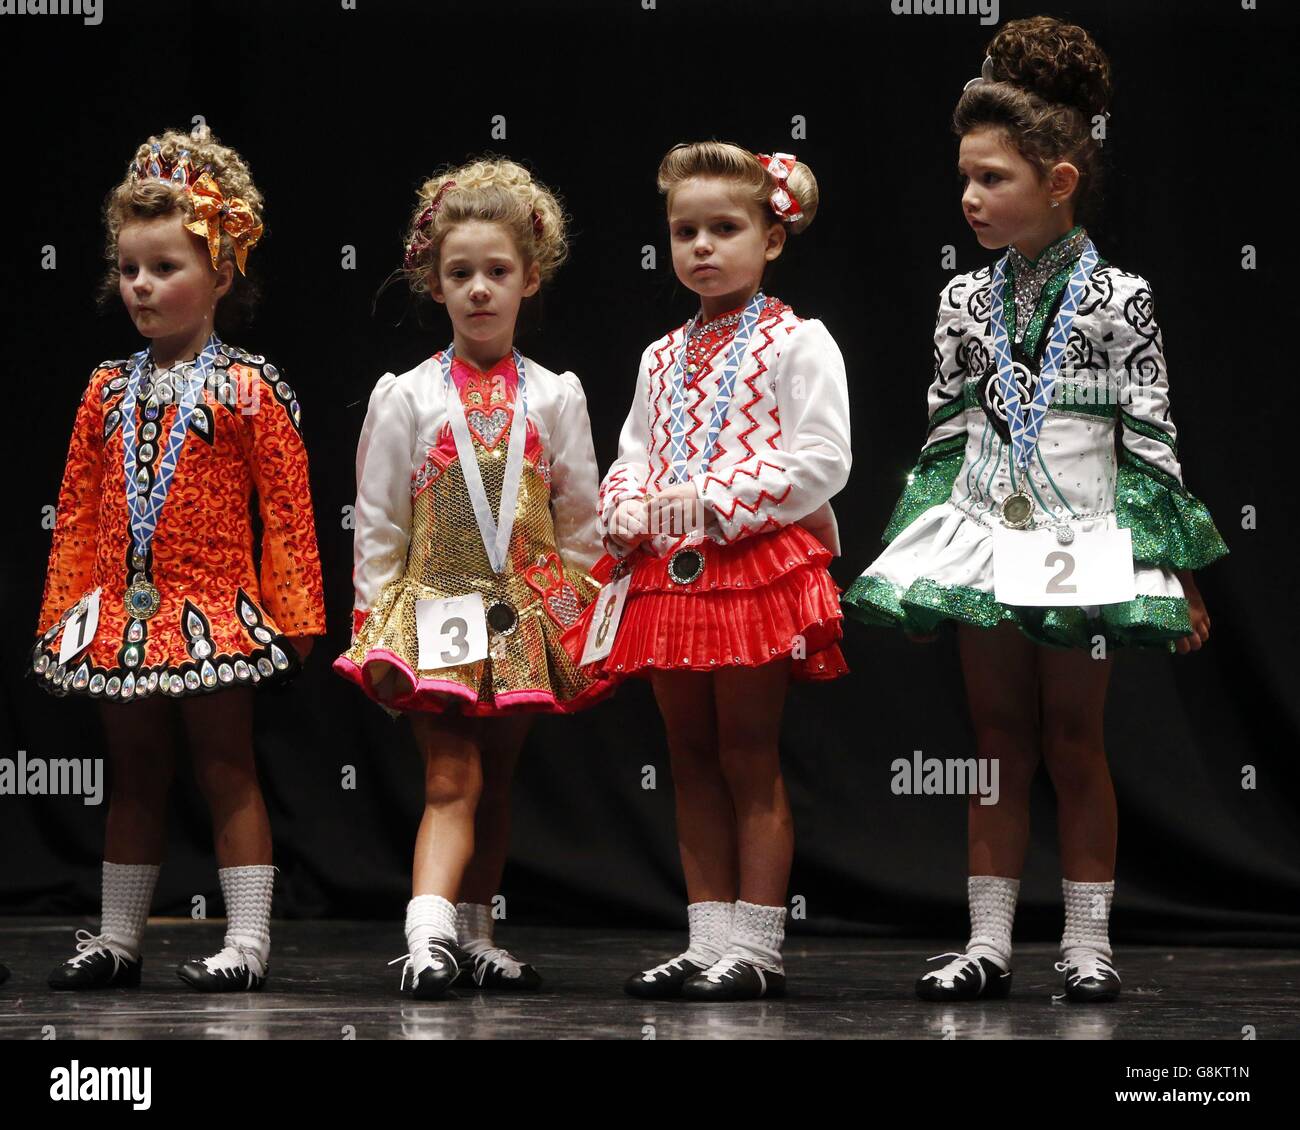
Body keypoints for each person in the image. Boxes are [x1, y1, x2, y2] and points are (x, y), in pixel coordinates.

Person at [842, 17, 1228, 1003]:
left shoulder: (1121, 298)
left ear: (1056, 182)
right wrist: (920, 564)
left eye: (992, 179)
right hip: (984, 527)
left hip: (1087, 536)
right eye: (963, 177)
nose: (969, 198)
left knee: (1073, 740)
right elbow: (941, 433)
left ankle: (1089, 941)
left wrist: (1171, 564)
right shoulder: (962, 300)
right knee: (993, 739)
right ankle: (986, 940)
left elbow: (1148, 435)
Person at [34, 128, 326, 993]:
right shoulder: (104, 389)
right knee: (133, 775)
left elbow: (288, 510)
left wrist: (298, 611)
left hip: (213, 611)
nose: (141, 287)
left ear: (221, 274)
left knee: (227, 766)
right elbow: (79, 508)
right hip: (122, 613)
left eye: (164, 268)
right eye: (129, 269)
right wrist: (65, 607)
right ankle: (119, 938)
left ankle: (246, 941)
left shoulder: (249, 388)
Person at [565, 142, 851, 1001]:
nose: (702, 247)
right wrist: (623, 502)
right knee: (688, 753)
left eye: (725, 228)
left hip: (752, 562)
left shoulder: (798, 340)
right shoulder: (660, 356)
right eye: (685, 230)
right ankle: (706, 936)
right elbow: (635, 451)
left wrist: (714, 497)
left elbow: (824, 460)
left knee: (746, 752)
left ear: (772, 237)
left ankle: (757, 947)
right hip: (670, 572)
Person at [335, 156, 607, 998]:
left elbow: (580, 518)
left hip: (522, 617)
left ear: (531, 277)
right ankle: (426, 935)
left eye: (497, 272)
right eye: (461, 275)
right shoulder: (407, 396)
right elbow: (379, 519)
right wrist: (375, 620)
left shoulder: (556, 395)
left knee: (495, 783)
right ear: (435, 283)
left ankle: (478, 933)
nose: (480, 290)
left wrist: (575, 611)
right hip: (433, 619)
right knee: (452, 778)